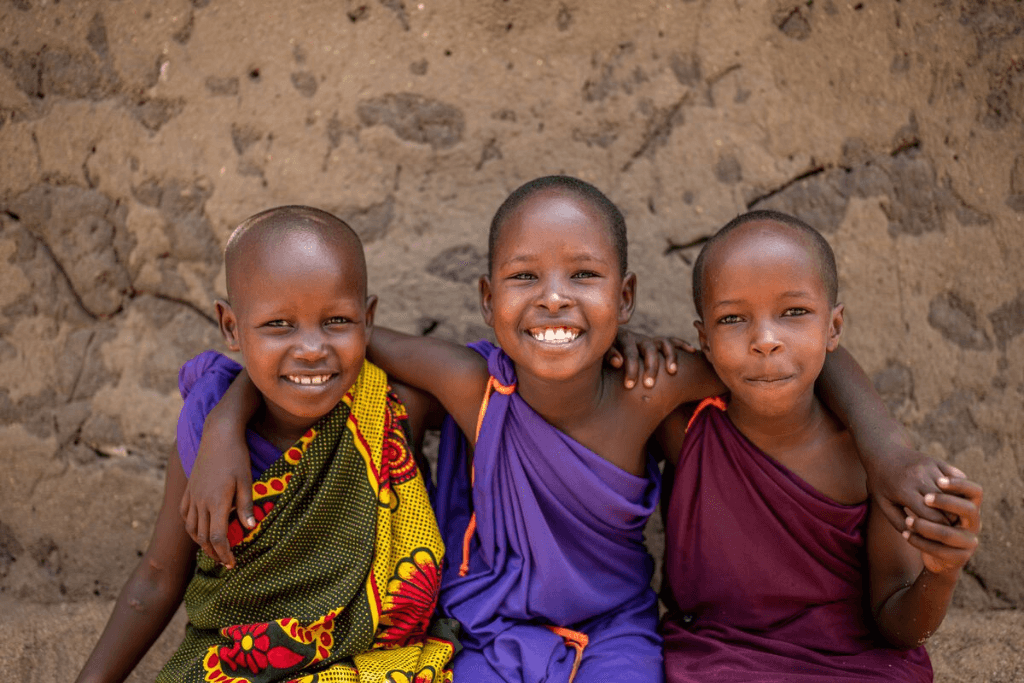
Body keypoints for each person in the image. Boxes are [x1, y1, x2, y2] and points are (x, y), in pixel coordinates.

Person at [186, 178, 961, 683]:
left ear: (623, 296)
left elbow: (799, 353)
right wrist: (228, 417)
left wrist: (889, 446)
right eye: (526, 277)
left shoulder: (650, 388)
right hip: (487, 626)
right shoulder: (472, 384)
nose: (554, 298)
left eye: (582, 276)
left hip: (616, 626)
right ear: (489, 298)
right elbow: (327, 347)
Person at [75, 206, 457, 683]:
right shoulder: (201, 446)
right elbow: (155, 578)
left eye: (336, 320)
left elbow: (478, 383)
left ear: (369, 318)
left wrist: (230, 414)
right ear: (231, 327)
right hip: (235, 667)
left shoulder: (393, 408)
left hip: (378, 666)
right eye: (279, 325)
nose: (312, 348)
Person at [656, 210, 982, 682]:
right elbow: (595, 375)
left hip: (852, 666)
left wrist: (941, 573)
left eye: (794, 312)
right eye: (733, 318)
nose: (765, 340)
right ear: (704, 340)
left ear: (834, 327)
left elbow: (898, 626)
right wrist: (636, 345)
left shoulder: (869, 461)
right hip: (715, 658)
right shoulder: (688, 427)